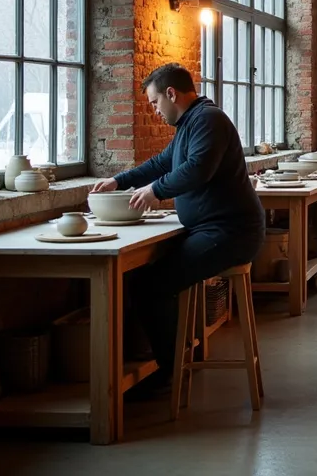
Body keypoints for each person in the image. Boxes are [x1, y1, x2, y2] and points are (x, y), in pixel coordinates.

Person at [91, 63, 265, 394]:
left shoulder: (208, 120)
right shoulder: (191, 123)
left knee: (149, 284)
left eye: (156, 102)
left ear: (172, 94)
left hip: (231, 233)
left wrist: (155, 191)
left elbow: (198, 169)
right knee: (151, 276)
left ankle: (171, 371)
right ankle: (178, 359)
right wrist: (119, 181)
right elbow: (162, 163)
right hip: (214, 229)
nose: (155, 111)